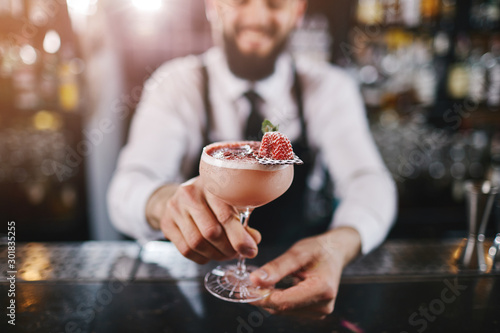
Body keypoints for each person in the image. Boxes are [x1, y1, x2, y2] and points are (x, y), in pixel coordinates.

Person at [108, 0, 396, 320]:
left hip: (296, 282)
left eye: (274, 4)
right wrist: (163, 203)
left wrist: (339, 244)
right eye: (240, 1)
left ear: (297, 12)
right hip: (197, 291)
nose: (257, 18)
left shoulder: (329, 87)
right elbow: (129, 184)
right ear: (213, 6)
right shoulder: (175, 85)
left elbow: (368, 180)